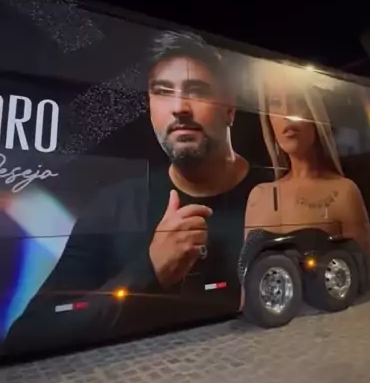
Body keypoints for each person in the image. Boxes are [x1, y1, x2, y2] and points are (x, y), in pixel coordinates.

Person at [3, 30, 268, 353]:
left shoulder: (275, 193)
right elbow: (28, 334)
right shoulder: (113, 206)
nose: (180, 108)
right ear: (151, 107)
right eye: (163, 92)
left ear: (229, 108)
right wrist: (150, 269)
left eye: (197, 90)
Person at [244, 65, 370, 252]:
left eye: (298, 101)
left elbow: (361, 268)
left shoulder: (344, 193)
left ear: (314, 110)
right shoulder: (258, 197)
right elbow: (248, 267)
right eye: (275, 103)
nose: (287, 114)